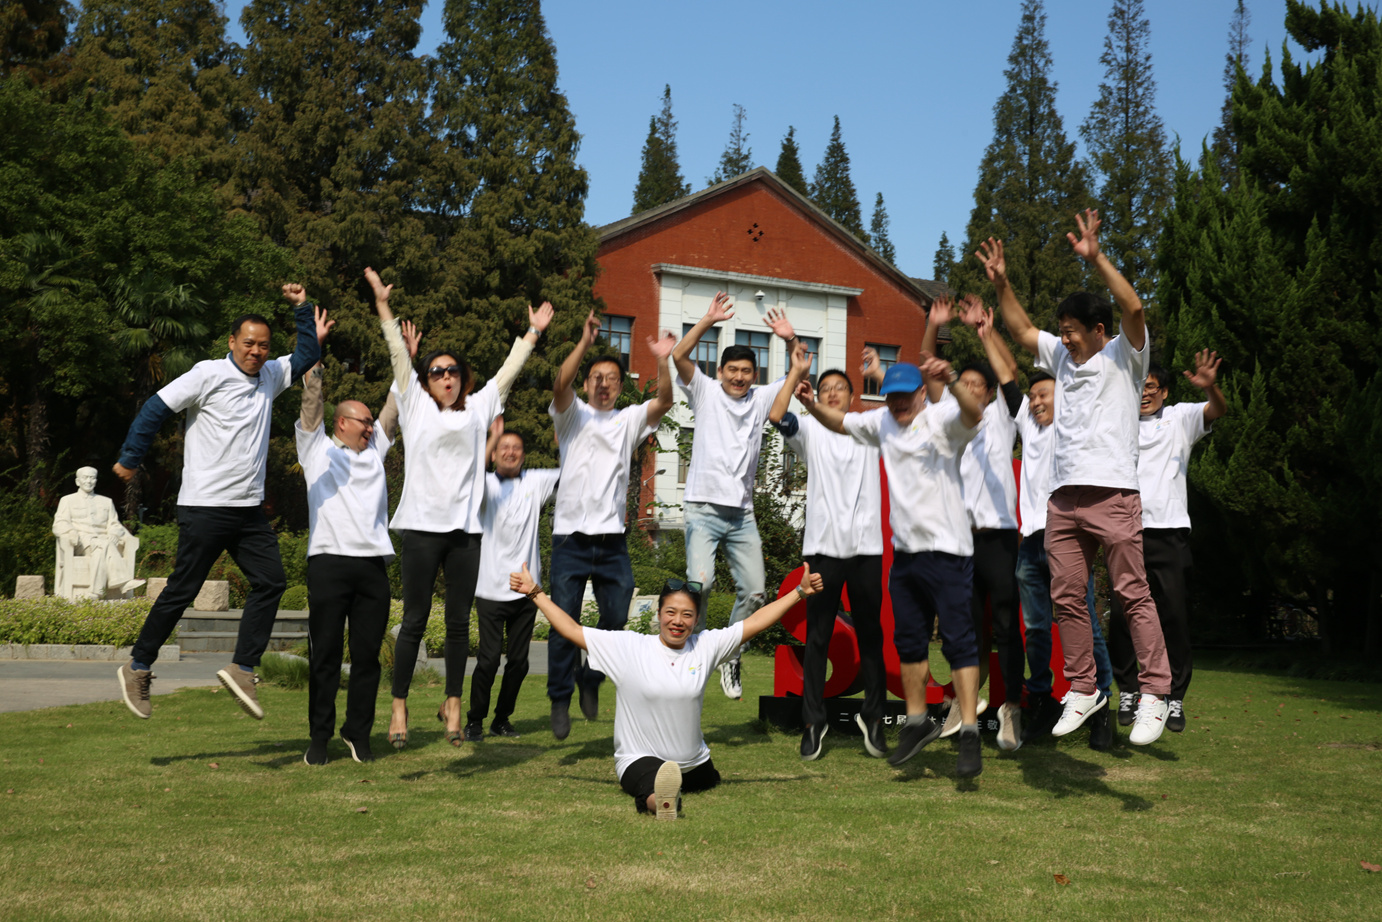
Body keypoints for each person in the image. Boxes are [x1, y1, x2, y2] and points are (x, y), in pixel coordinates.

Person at [980, 208, 1173, 746]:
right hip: (1062, 500)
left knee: (1131, 593)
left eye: (1071, 333)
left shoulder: (1125, 358)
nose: (1063, 341)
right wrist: (1002, 283)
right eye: (1061, 333)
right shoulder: (1062, 360)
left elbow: (1134, 307)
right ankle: (1084, 688)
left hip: (1113, 493)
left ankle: (1155, 692)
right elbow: (1021, 329)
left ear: (1099, 331)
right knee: (1067, 596)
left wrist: (1097, 257)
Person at [114, 285, 325, 720]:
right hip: (206, 505)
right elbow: (155, 408)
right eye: (248, 343)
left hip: (248, 510)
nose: (256, 352)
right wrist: (131, 457)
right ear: (232, 342)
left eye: (263, 345)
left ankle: (242, 669)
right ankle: (138, 667)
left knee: (271, 582)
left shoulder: (270, 375)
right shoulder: (206, 374)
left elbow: (306, 355)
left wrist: (302, 308)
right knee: (183, 590)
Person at [364, 267, 553, 747]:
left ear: (462, 378)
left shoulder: (481, 405)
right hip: (422, 530)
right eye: (436, 372)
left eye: (452, 371)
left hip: (466, 533)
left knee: (455, 624)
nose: (445, 377)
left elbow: (508, 371)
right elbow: (395, 351)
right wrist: (383, 304)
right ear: (425, 380)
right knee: (413, 620)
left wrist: (532, 332)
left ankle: (452, 702)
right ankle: (400, 704)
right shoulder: (414, 404)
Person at [511, 563, 824, 819]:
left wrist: (799, 592)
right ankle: (661, 803)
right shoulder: (628, 647)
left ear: (696, 620)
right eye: (671, 612)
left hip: (694, 765)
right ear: (658, 614)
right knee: (650, 785)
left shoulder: (705, 646)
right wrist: (535, 592)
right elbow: (572, 630)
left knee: (708, 779)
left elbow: (755, 622)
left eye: (687, 615)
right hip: (640, 760)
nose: (678, 621)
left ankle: (672, 788)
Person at [799, 353, 986, 778]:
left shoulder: (941, 419)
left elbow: (974, 414)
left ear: (921, 394)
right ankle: (916, 722)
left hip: (948, 551)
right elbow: (840, 422)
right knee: (909, 643)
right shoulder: (881, 422)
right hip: (905, 556)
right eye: (892, 397)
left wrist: (952, 380)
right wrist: (810, 404)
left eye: (906, 396)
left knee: (958, 643)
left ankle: (970, 731)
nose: (899, 404)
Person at [546, 313, 676, 739]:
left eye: (612, 379)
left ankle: (591, 677)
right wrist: (585, 343)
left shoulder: (628, 419)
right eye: (596, 378)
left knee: (616, 620)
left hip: (611, 541)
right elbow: (559, 384)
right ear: (587, 384)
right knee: (564, 622)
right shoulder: (572, 415)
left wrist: (663, 361)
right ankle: (560, 697)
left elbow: (664, 402)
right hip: (570, 538)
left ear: (621, 386)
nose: (604, 384)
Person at [673, 293, 798, 700]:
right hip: (703, 509)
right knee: (700, 585)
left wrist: (790, 338)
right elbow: (678, 355)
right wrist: (708, 319)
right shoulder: (705, 391)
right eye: (732, 370)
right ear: (721, 371)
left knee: (757, 593)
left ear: (754, 375)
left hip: (742, 515)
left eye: (746, 371)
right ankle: (694, 652)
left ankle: (730, 654)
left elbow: (799, 366)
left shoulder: (760, 399)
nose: (739, 377)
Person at [768, 340, 886, 760]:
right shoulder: (810, 429)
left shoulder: (869, 427)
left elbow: (912, 407)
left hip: (867, 548)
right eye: (825, 388)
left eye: (840, 388)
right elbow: (776, 415)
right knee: (818, 636)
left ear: (853, 396)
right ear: (817, 395)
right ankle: (813, 722)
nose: (833, 393)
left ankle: (874, 719)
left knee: (871, 635)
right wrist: (796, 373)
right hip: (823, 550)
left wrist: (879, 372)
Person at [925, 297, 1026, 751]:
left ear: (988, 394)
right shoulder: (949, 421)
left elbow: (1009, 372)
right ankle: (963, 701)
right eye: (962, 384)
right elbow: (930, 369)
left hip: (998, 539)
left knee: (1005, 628)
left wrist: (986, 333)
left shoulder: (1002, 417)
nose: (969, 390)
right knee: (961, 629)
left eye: (977, 385)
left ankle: (1012, 710)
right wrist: (934, 326)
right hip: (958, 542)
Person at [1108, 351, 1225, 732]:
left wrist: (1210, 388)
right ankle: (1129, 691)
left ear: (1165, 391)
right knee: (1122, 616)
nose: (1144, 394)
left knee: (1173, 616)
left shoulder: (1179, 418)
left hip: (1170, 533)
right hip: (1127, 533)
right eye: (1138, 387)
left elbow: (1217, 410)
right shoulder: (1119, 422)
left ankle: (1174, 698)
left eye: (1151, 387)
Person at [295, 360, 399, 765]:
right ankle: (319, 738)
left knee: (368, 658)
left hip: (372, 568)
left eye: (371, 423)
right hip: (329, 564)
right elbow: (311, 410)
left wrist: (404, 359)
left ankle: (357, 733)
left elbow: (394, 405)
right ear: (341, 423)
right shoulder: (316, 449)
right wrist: (315, 369)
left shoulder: (375, 451)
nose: (371, 428)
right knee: (325, 657)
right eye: (363, 422)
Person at [1010, 374, 1115, 750]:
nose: (1036, 401)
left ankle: (1102, 705)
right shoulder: (1028, 425)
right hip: (1029, 544)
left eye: (1044, 394)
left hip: (1067, 541)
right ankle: (1042, 702)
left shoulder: (1076, 429)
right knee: (1036, 628)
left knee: (1087, 623)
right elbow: (1006, 380)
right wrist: (989, 339)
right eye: (1032, 396)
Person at [463, 420, 560, 741]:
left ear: (523, 455)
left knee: (519, 662)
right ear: (493, 454)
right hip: (490, 588)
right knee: (489, 659)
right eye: (503, 447)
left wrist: (565, 436)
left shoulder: (536, 481)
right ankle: (475, 721)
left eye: (516, 448)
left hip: (527, 590)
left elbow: (574, 471)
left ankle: (501, 719)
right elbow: (471, 472)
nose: (510, 452)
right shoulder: (485, 485)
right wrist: (492, 436)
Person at [53, 467, 140, 600]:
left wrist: (114, 533)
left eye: (92, 478)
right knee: (104, 545)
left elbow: (114, 524)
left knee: (101, 548)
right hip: (81, 542)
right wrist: (70, 532)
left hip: (103, 542)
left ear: (96, 481)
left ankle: (95, 593)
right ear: (77, 481)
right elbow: (59, 523)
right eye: (85, 478)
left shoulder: (106, 501)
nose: (89, 481)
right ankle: (123, 582)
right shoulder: (68, 500)